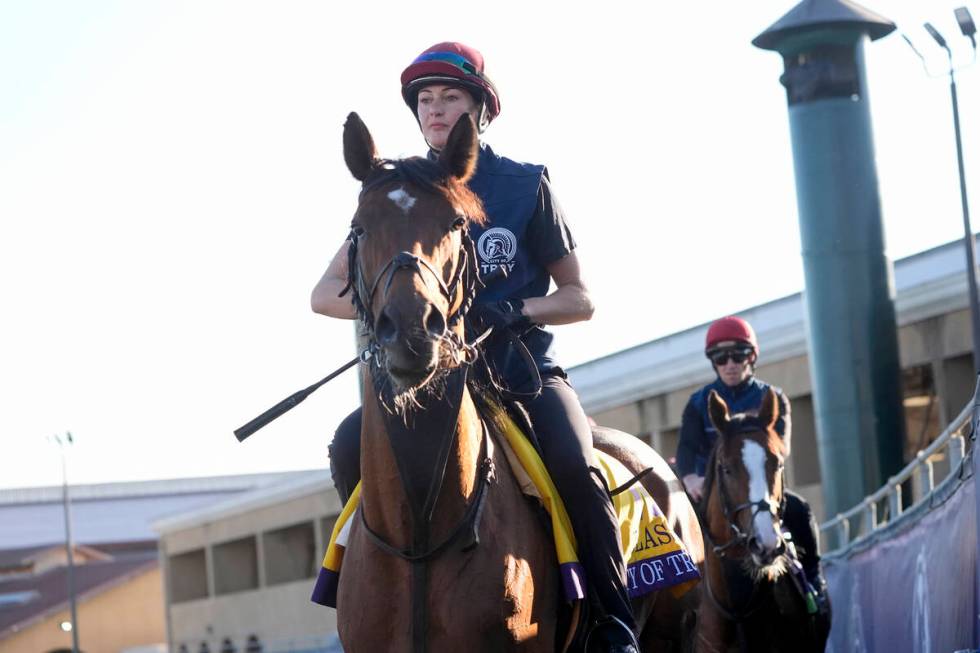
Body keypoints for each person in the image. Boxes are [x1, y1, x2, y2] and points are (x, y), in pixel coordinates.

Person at [311, 42, 639, 653]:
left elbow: (580, 298)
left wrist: (514, 308)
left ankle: (612, 623)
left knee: (574, 463)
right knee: (348, 443)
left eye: (450, 98)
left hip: (523, 375)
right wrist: (396, 314)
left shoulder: (525, 185)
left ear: (481, 110)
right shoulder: (397, 190)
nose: (435, 111)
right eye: (425, 101)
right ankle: (373, 584)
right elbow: (325, 293)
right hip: (427, 379)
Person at [675, 316, 830, 612]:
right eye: (721, 357)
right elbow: (686, 450)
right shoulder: (698, 403)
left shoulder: (772, 398)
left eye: (739, 355)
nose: (730, 363)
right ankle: (679, 599)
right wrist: (691, 478)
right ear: (714, 362)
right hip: (715, 495)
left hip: (761, 492)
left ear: (752, 357)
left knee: (801, 510)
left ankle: (814, 579)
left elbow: (780, 447)